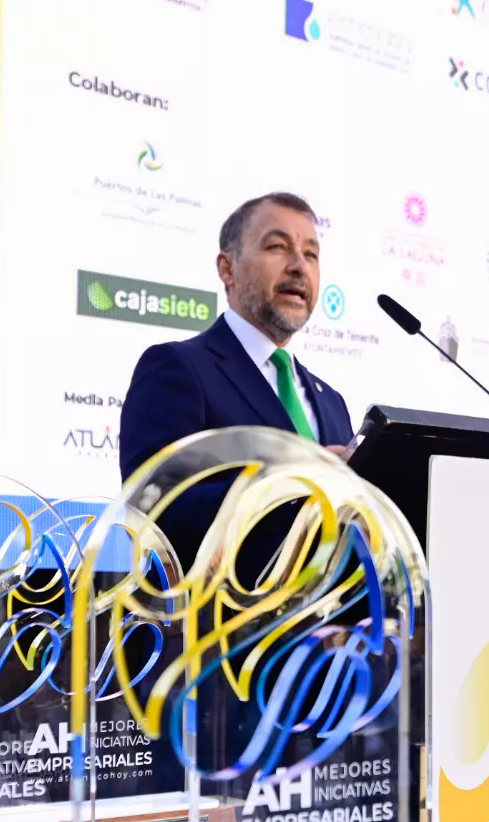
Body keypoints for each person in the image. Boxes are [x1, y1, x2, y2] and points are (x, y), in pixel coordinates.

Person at [118, 192, 354, 566]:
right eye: (277, 247)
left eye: (311, 254)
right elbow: (151, 508)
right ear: (227, 269)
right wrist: (290, 484)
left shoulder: (332, 402)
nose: (299, 266)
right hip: (218, 603)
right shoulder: (178, 368)